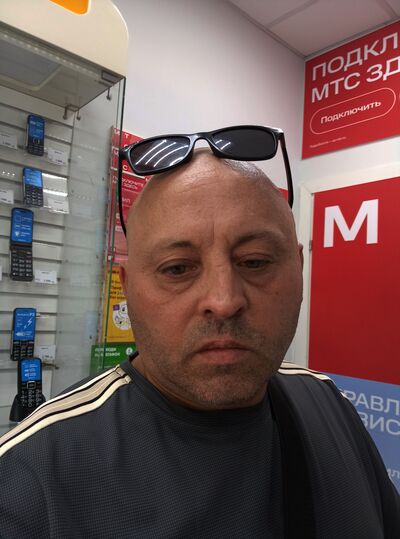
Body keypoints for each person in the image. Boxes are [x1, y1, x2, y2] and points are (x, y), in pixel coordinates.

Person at [0, 135, 399, 538]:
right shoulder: (32, 476)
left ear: (298, 269)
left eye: (255, 261)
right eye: (177, 269)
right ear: (128, 288)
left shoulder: (326, 402)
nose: (224, 301)